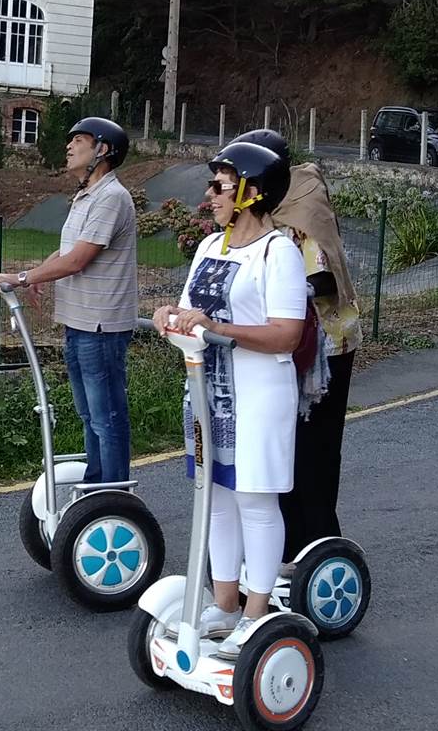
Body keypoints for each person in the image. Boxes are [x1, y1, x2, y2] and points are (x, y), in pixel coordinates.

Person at [152, 141, 305, 645]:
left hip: (257, 396)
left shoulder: (278, 251)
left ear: (251, 192)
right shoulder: (208, 247)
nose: (209, 194)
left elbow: (287, 334)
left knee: (254, 500)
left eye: (219, 185)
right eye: (212, 184)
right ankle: (224, 602)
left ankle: (256, 614)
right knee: (214, 495)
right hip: (206, 393)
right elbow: (188, 312)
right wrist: (167, 318)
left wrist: (220, 327)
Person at [234, 130, 362, 567]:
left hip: (327, 344)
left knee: (315, 448)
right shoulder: (267, 209)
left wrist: (279, 290)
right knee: (283, 447)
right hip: (289, 344)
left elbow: (324, 276)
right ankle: (291, 546)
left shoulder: (303, 201)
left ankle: (322, 546)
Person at [0, 117, 138, 484]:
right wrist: (36, 274)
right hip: (79, 322)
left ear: (102, 150)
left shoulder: (111, 197)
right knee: (89, 416)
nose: (69, 147)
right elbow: (66, 251)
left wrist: (22, 279)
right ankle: (97, 486)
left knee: (107, 417)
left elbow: (78, 259)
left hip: (100, 325)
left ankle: (114, 494)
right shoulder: (87, 195)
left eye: (79, 141)